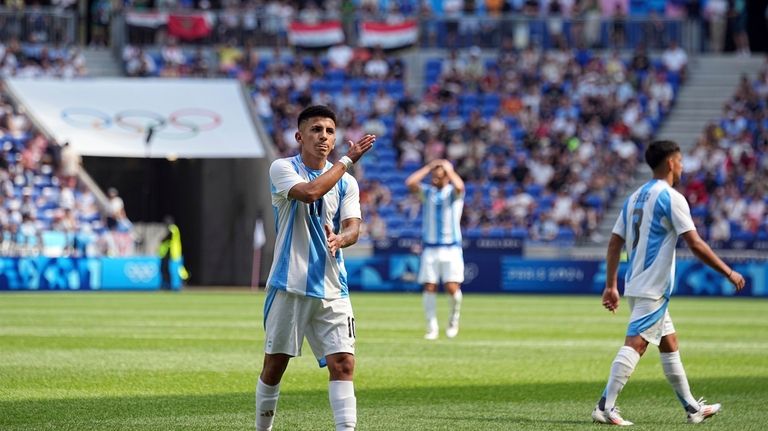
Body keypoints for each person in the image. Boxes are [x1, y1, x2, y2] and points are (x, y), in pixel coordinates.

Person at [591, 140, 746, 426]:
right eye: (681, 160)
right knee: (636, 345)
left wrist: (611, 285)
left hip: (637, 283)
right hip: (653, 288)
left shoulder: (634, 197)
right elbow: (695, 243)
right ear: (671, 163)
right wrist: (729, 272)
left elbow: (614, 243)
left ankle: (692, 407)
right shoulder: (671, 198)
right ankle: (604, 406)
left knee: (669, 343)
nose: (683, 166)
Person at [256, 105, 375, 431]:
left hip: (332, 286)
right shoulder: (282, 168)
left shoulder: (347, 183)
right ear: (300, 136)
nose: (324, 136)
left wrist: (341, 239)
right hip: (289, 283)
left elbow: (354, 227)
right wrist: (347, 160)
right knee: (275, 366)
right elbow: (309, 193)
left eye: (329, 131)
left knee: (344, 363)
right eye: (316, 130)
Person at [404, 159, 465, 340]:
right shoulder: (428, 192)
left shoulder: (452, 193)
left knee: (452, 288)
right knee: (429, 287)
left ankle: (454, 319)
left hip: (451, 248)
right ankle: (432, 327)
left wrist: (449, 169)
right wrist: (429, 167)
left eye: (439, 175)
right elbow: (410, 183)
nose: (436, 179)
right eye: (434, 176)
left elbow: (460, 186)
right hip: (430, 248)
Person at [158, 215, 189, 289]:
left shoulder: (173, 228)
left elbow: (169, 236)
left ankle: (181, 282)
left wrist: (163, 239)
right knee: (170, 269)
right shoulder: (172, 229)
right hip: (169, 254)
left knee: (176, 269)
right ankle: (169, 284)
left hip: (174, 253)